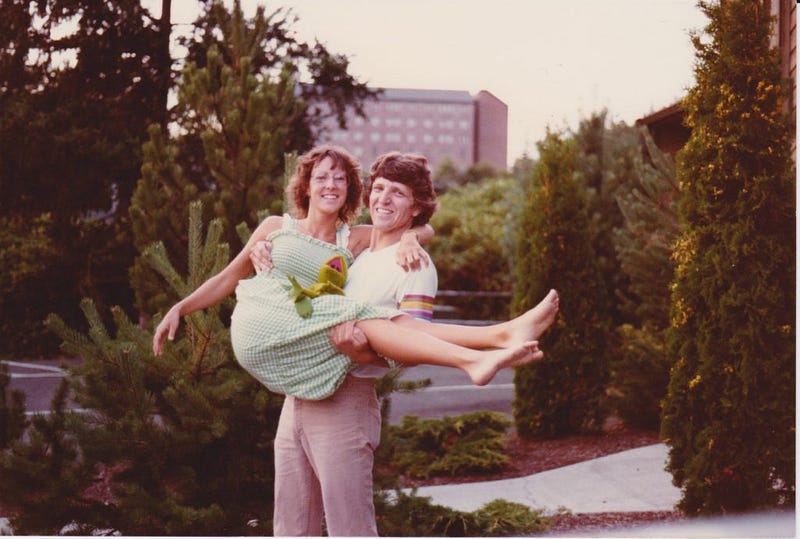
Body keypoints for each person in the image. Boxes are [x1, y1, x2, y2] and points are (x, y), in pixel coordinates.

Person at [249, 151, 559, 536]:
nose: (383, 199)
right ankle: (496, 336)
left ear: (416, 208)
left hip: (345, 401)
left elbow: (408, 348)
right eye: (379, 189)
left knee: (351, 530)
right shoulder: (357, 252)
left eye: (397, 193)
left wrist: (357, 350)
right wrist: (266, 250)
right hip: (297, 397)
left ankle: (492, 342)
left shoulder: (415, 264)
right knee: (291, 529)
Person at [153, 145, 554, 403]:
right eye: (321, 177)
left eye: (340, 178)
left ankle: (496, 339)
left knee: (368, 315)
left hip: (306, 336)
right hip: (262, 322)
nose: (330, 184)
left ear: (348, 190)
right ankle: (483, 347)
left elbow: (410, 225)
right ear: (306, 186)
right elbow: (226, 278)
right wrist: (181, 308)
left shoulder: (353, 239)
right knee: (361, 312)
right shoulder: (276, 228)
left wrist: (414, 236)